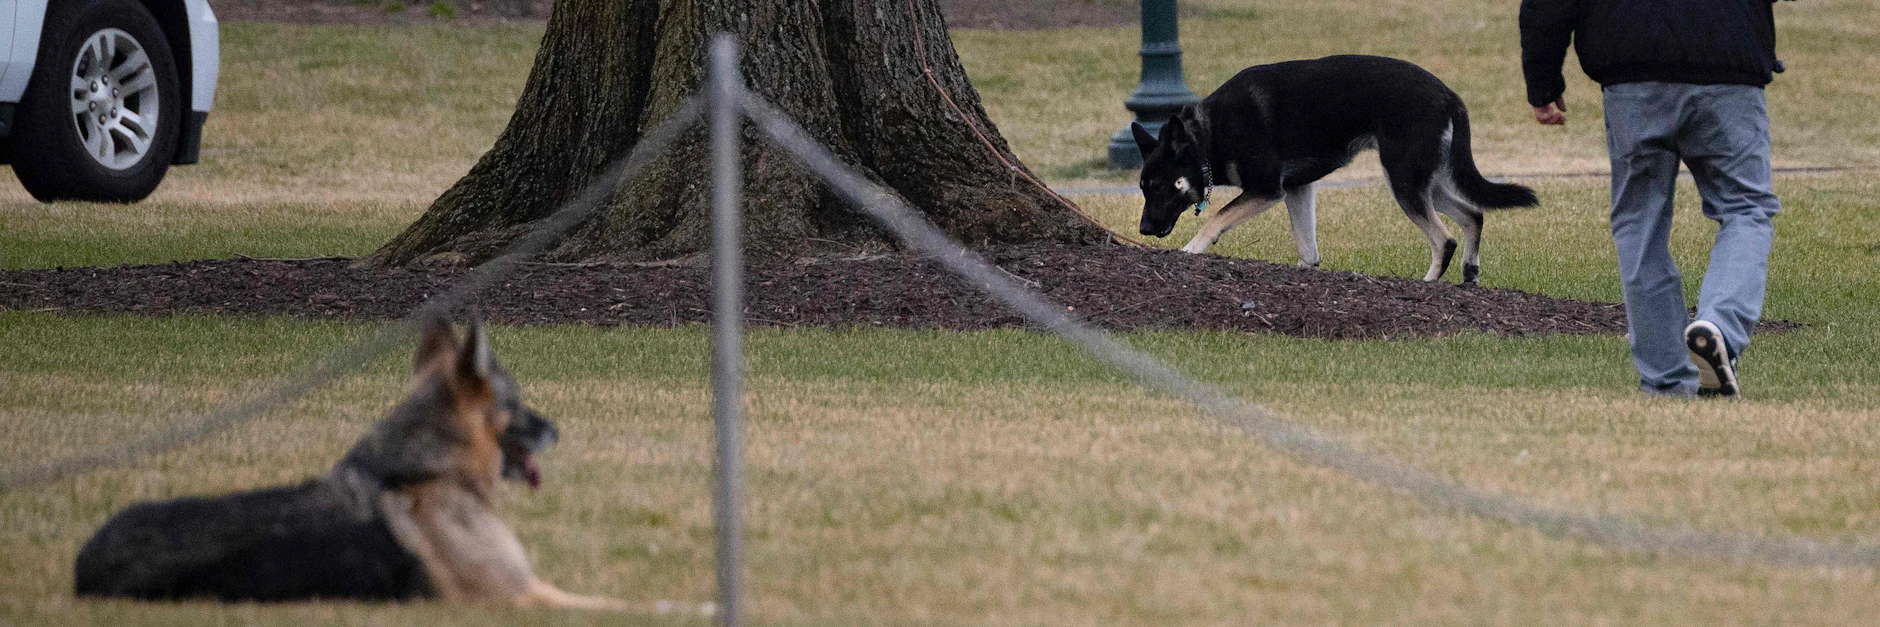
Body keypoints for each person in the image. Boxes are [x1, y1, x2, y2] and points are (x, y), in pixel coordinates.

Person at [1520, 0, 1791, 397]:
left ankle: (1668, 380)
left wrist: (1543, 81)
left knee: (1638, 222)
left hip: (1633, 75)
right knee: (1745, 209)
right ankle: (1721, 330)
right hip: (1728, 68)